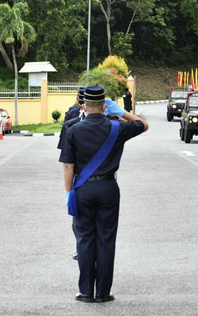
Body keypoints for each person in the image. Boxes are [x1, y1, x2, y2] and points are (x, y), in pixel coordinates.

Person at [60, 86, 148, 303]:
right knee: (106, 240)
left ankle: (86, 292)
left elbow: (68, 167)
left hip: (83, 189)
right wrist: (122, 112)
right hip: (108, 188)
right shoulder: (117, 127)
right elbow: (143, 125)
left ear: (83, 106)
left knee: (85, 239)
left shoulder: (73, 130)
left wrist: (68, 193)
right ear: (103, 105)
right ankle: (103, 293)